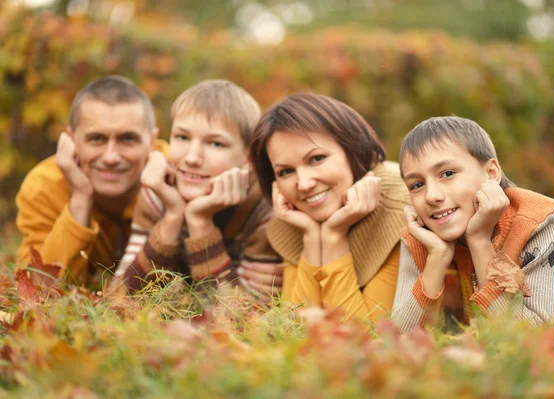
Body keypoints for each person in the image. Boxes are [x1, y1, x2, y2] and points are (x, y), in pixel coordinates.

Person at [391, 116, 554, 332]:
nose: (432, 196)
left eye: (447, 174)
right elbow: (396, 337)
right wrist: (437, 257)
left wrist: (480, 241)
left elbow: (530, 336)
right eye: (417, 184)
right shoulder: (419, 236)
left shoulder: (543, 220)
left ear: (491, 173)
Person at [112, 80, 282, 301]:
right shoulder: (159, 190)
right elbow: (121, 298)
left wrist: (200, 222)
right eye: (182, 137)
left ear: (248, 156)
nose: (191, 158)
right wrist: (173, 215)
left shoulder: (263, 206)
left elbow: (242, 317)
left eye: (215, 144)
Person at [248, 92, 411, 323]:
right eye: (285, 171)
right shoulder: (295, 218)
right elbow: (294, 329)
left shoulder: (402, 207)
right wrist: (312, 237)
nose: (304, 184)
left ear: (351, 148)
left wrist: (333, 237)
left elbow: (365, 336)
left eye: (316, 159)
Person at [16, 75, 167, 288]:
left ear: (152, 142)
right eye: (97, 138)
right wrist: (80, 197)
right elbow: (36, 289)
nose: (111, 157)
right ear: (71, 139)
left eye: (128, 139)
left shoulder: (176, 176)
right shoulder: (44, 186)